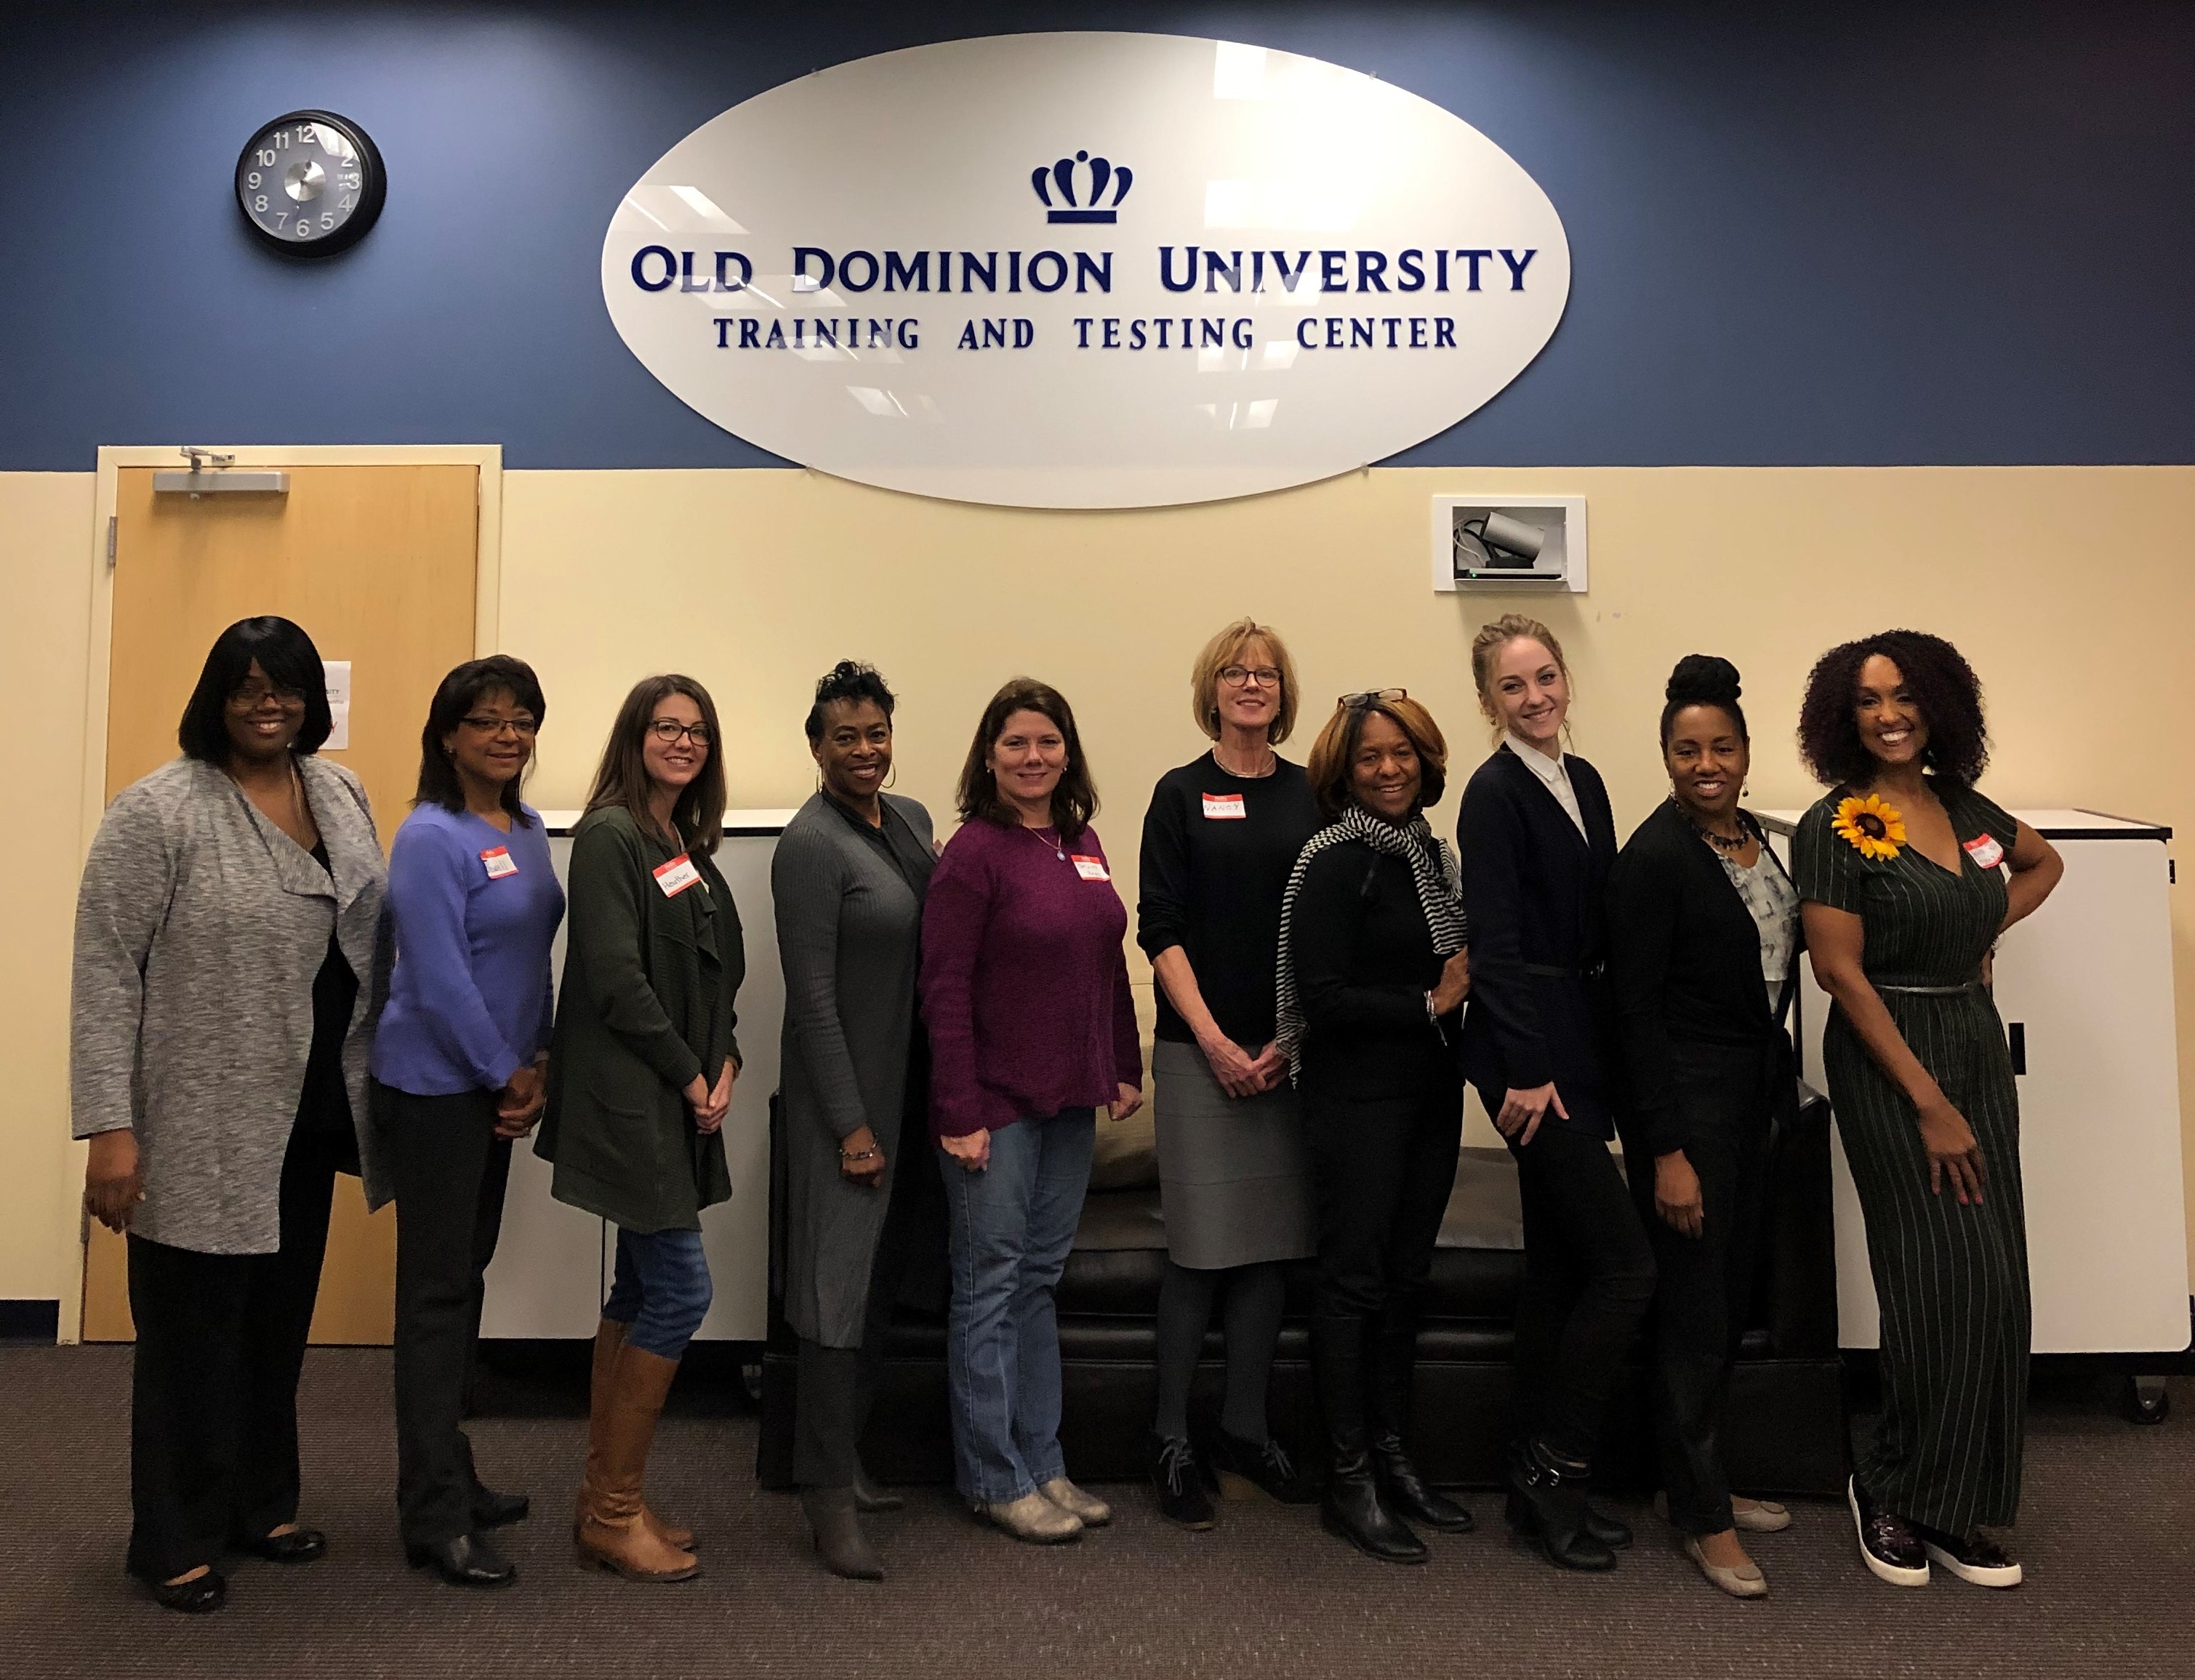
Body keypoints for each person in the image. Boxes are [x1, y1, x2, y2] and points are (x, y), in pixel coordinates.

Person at [72, 616, 389, 1614]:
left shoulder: (339, 792)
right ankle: (171, 1538)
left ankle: (261, 1504)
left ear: (310, 700)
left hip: (310, 1111)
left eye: (286, 685)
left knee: (274, 1323)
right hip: (199, 1119)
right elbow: (105, 972)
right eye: (247, 685)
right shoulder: (158, 810)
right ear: (216, 697)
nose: (268, 702)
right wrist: (110, 1127)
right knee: (190, 1340)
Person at [1792, 630, 2060, 1591]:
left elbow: (2041, 864)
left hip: (1971, 1044)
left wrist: (1978, 927)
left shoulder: (1962, 804)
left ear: (1937, 703)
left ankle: (1955, 1501)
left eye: (1903, 695)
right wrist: (1928, 1103)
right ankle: (1891, 1486)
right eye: (1867, 700)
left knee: (1994, 1284)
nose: (1888, 714)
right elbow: (1838, 973)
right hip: (1890, 1059)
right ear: (1842, 718)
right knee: (1931, 1280)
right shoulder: (1834, 823)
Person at [920, 678, 1143, 1545]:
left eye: (1047, 741)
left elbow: (1105, 960)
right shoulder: (973, 853)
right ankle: (991, 1477)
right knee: (988, 1285)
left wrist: (1121, 1064)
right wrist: (959, 1110)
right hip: (995, 1107)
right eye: (1015, 742)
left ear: (1068, 753)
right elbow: (942, 989)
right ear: (989, 756)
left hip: (1069, 1102)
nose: (1032, 756)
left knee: (1038, 1282)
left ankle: (1042, 1463)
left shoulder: (1080, 841)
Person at [1454, 612, 1655, 1573]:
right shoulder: (1492, 793)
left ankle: (1528, 1481)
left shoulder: (1587, 780)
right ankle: (1554, 1468)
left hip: (1579, 1041)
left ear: (1564, 678)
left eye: (1543, 677)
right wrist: (1526, 1067)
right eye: (1511, 685)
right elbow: (1492, 941)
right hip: (1528, 1059)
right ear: (1487, 700)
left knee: (1560, 1272)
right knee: (1625, 1267)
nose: (1532, 697)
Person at [537, 674, 744, 1584]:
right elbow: (617, 981)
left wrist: (726, 1060)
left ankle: (605, 1498)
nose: (683, 741)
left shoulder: (681, 841)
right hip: (634, 1099)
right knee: (681, 1291)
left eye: (697, 730)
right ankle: (614, 1513)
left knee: (636, 1286)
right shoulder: (611, 835)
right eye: (666, 726)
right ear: (635, 736)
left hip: (679, 1094)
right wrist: (694, 1074)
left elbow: (714, 978)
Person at [1605, 656, 1800, 1599]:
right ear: (1665, 757)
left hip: (1754, 1096)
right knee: (1692, 1310)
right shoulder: (1652, 859)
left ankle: (1694, 1476)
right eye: (1687, 750)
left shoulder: (1760, 840)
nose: (1705, 763)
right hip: (1689, 1105)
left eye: (1721, 746)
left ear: (1745, 752)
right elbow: (1631, 1016)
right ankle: (1700, 1516)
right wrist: (1666, 1151)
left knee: (1726, 1298)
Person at [371, 656, 562, 1588]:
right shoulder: (428, 835)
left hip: (502, 1082)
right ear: (448, 735)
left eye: (521, 719)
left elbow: (533, 957)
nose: (507, 734)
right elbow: (439, 977)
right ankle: (432, 1514)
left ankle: (453, 1471)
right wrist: (504, 1073)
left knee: (465, 1282)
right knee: (435, 1297)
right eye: (486, 719)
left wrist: (542, 1058)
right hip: (438, 1089)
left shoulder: (526, 828)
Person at [1276, 691, 1474, 1566]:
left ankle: (1394, 1458)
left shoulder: (1431, 854)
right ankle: (1348, 1480)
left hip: (1430, 1094)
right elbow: (1321, 999)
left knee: (1405, 1281)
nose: (1390, 769)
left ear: (1426, 761)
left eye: (1403, 753)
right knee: (1353, 1285)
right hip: (1356, 1101)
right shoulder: (1333, 860)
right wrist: (1428, 1001)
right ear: (1343, 772)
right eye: (1370, 757)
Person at [1136, 620, 1322, 1528]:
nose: (1251, 684)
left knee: (1270, 1251)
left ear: (1284, 693)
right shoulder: (1179, 794)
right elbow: (1159, 927)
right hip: (1196, 1056)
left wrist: (1289, 1036)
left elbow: (1328, 924)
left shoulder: (1314, 794)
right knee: (1199, 1253)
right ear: (1209, 689)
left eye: (1267, 673)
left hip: (1290, 1055)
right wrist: (1212, 1040)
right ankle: (1171, 1439)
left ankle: (1244, 1430)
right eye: (1234, 672)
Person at [773, 661, 936, 1580]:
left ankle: (850, 1461)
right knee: (832, 1294)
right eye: (845, 736)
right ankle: (824, 1496)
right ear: (816, 746)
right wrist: (850, 1126)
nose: (865, 750)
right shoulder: (809, 845)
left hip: (910, 1092)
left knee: (875, 1290)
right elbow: (812, 1002)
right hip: (846, 1104)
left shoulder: (908, 819)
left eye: (876, 733)